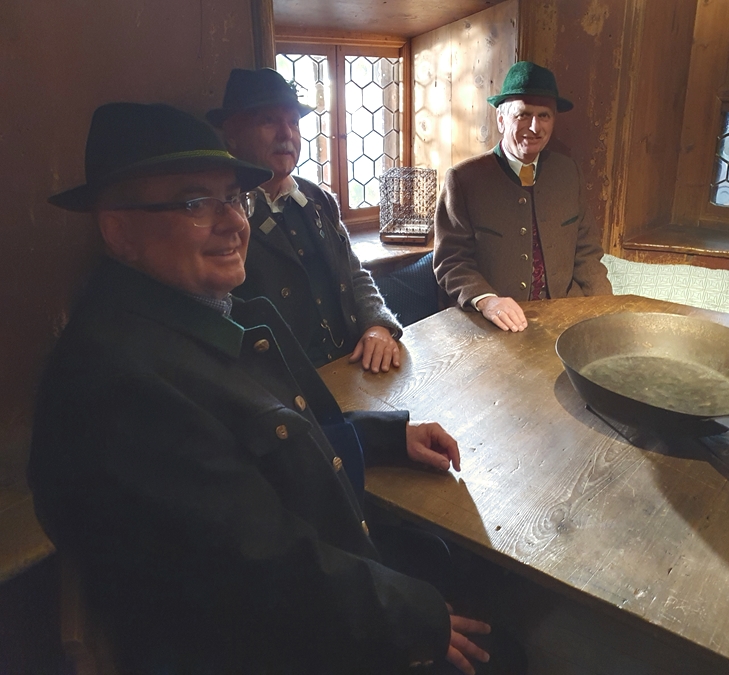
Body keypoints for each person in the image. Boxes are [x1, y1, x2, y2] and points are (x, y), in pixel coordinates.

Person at [28, 102, 498, 674]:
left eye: (233, 197)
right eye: (195, 203)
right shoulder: (119, 382)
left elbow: (272, 432)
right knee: (502, 641)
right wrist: (415, 619)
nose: (233, 223)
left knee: (458, 566)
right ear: (118, 230)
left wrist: (385, 437)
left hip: (319, 586)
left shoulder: (192, 315)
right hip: (271, 645)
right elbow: (265, 571)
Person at [207, 67, 403, 373]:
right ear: (232, 134)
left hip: (354, 364)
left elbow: (353, 274)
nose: (286, 134)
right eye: (269, 120)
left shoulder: (318, 199)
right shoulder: (223, 214)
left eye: (294, 122)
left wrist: (377, 325)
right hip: (281, 384)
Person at [433, 61, 612, 332]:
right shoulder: (464, 179)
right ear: (501, 119)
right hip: (495, 325)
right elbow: (451, 262)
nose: (535, 127)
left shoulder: (568, 173)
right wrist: (488, 301)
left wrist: (606, 312)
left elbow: (587, 253)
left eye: (544, 116)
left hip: (565, 318)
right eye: (523, 115)